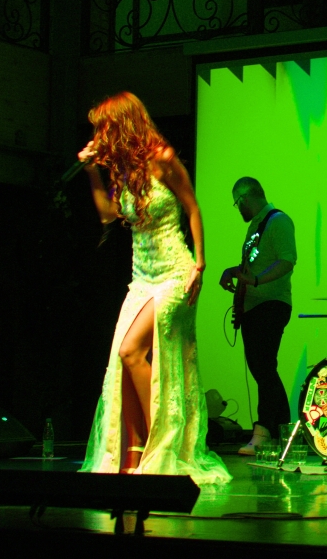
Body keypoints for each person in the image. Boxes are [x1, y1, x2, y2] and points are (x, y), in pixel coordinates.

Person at [79, 92, 230, 484]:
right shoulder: (124, 168)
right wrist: (92, 172)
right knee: (120, 361)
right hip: (142, 278)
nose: (100, 134)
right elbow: (108, 216)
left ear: (122, 124)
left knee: (131, 351)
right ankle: (136, 450)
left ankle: (160, 444)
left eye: (104, 127)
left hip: (176, 273)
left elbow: (192, 207)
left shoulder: (162, 158)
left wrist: (200, 263)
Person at [219, 177, 297, 455]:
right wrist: (234, 272)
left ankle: (263, 430)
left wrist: (255, 281)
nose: (238, 209)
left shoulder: (278, 221)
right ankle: (283, 430)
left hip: (270, 304)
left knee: (263, 368)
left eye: (237, 203)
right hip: (254, 306)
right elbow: (255, 265)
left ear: (245, 198)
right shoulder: (257, 226)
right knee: (264, 369)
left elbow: (287, 260)